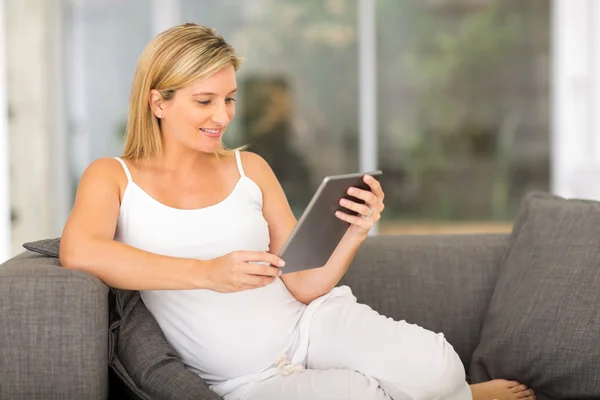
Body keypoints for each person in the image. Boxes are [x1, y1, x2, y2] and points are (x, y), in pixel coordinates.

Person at [59, 23, 535, 400]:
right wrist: (206, 272)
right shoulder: (113, 175)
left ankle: (454, 391)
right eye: (204, 101)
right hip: (247, 381)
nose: (222, 117)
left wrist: (353, 232)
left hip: (313, 323)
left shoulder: (250, 167)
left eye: (228, 99)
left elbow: (303, 283)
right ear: (157, 102)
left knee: (438, 366)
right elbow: (79, 251)